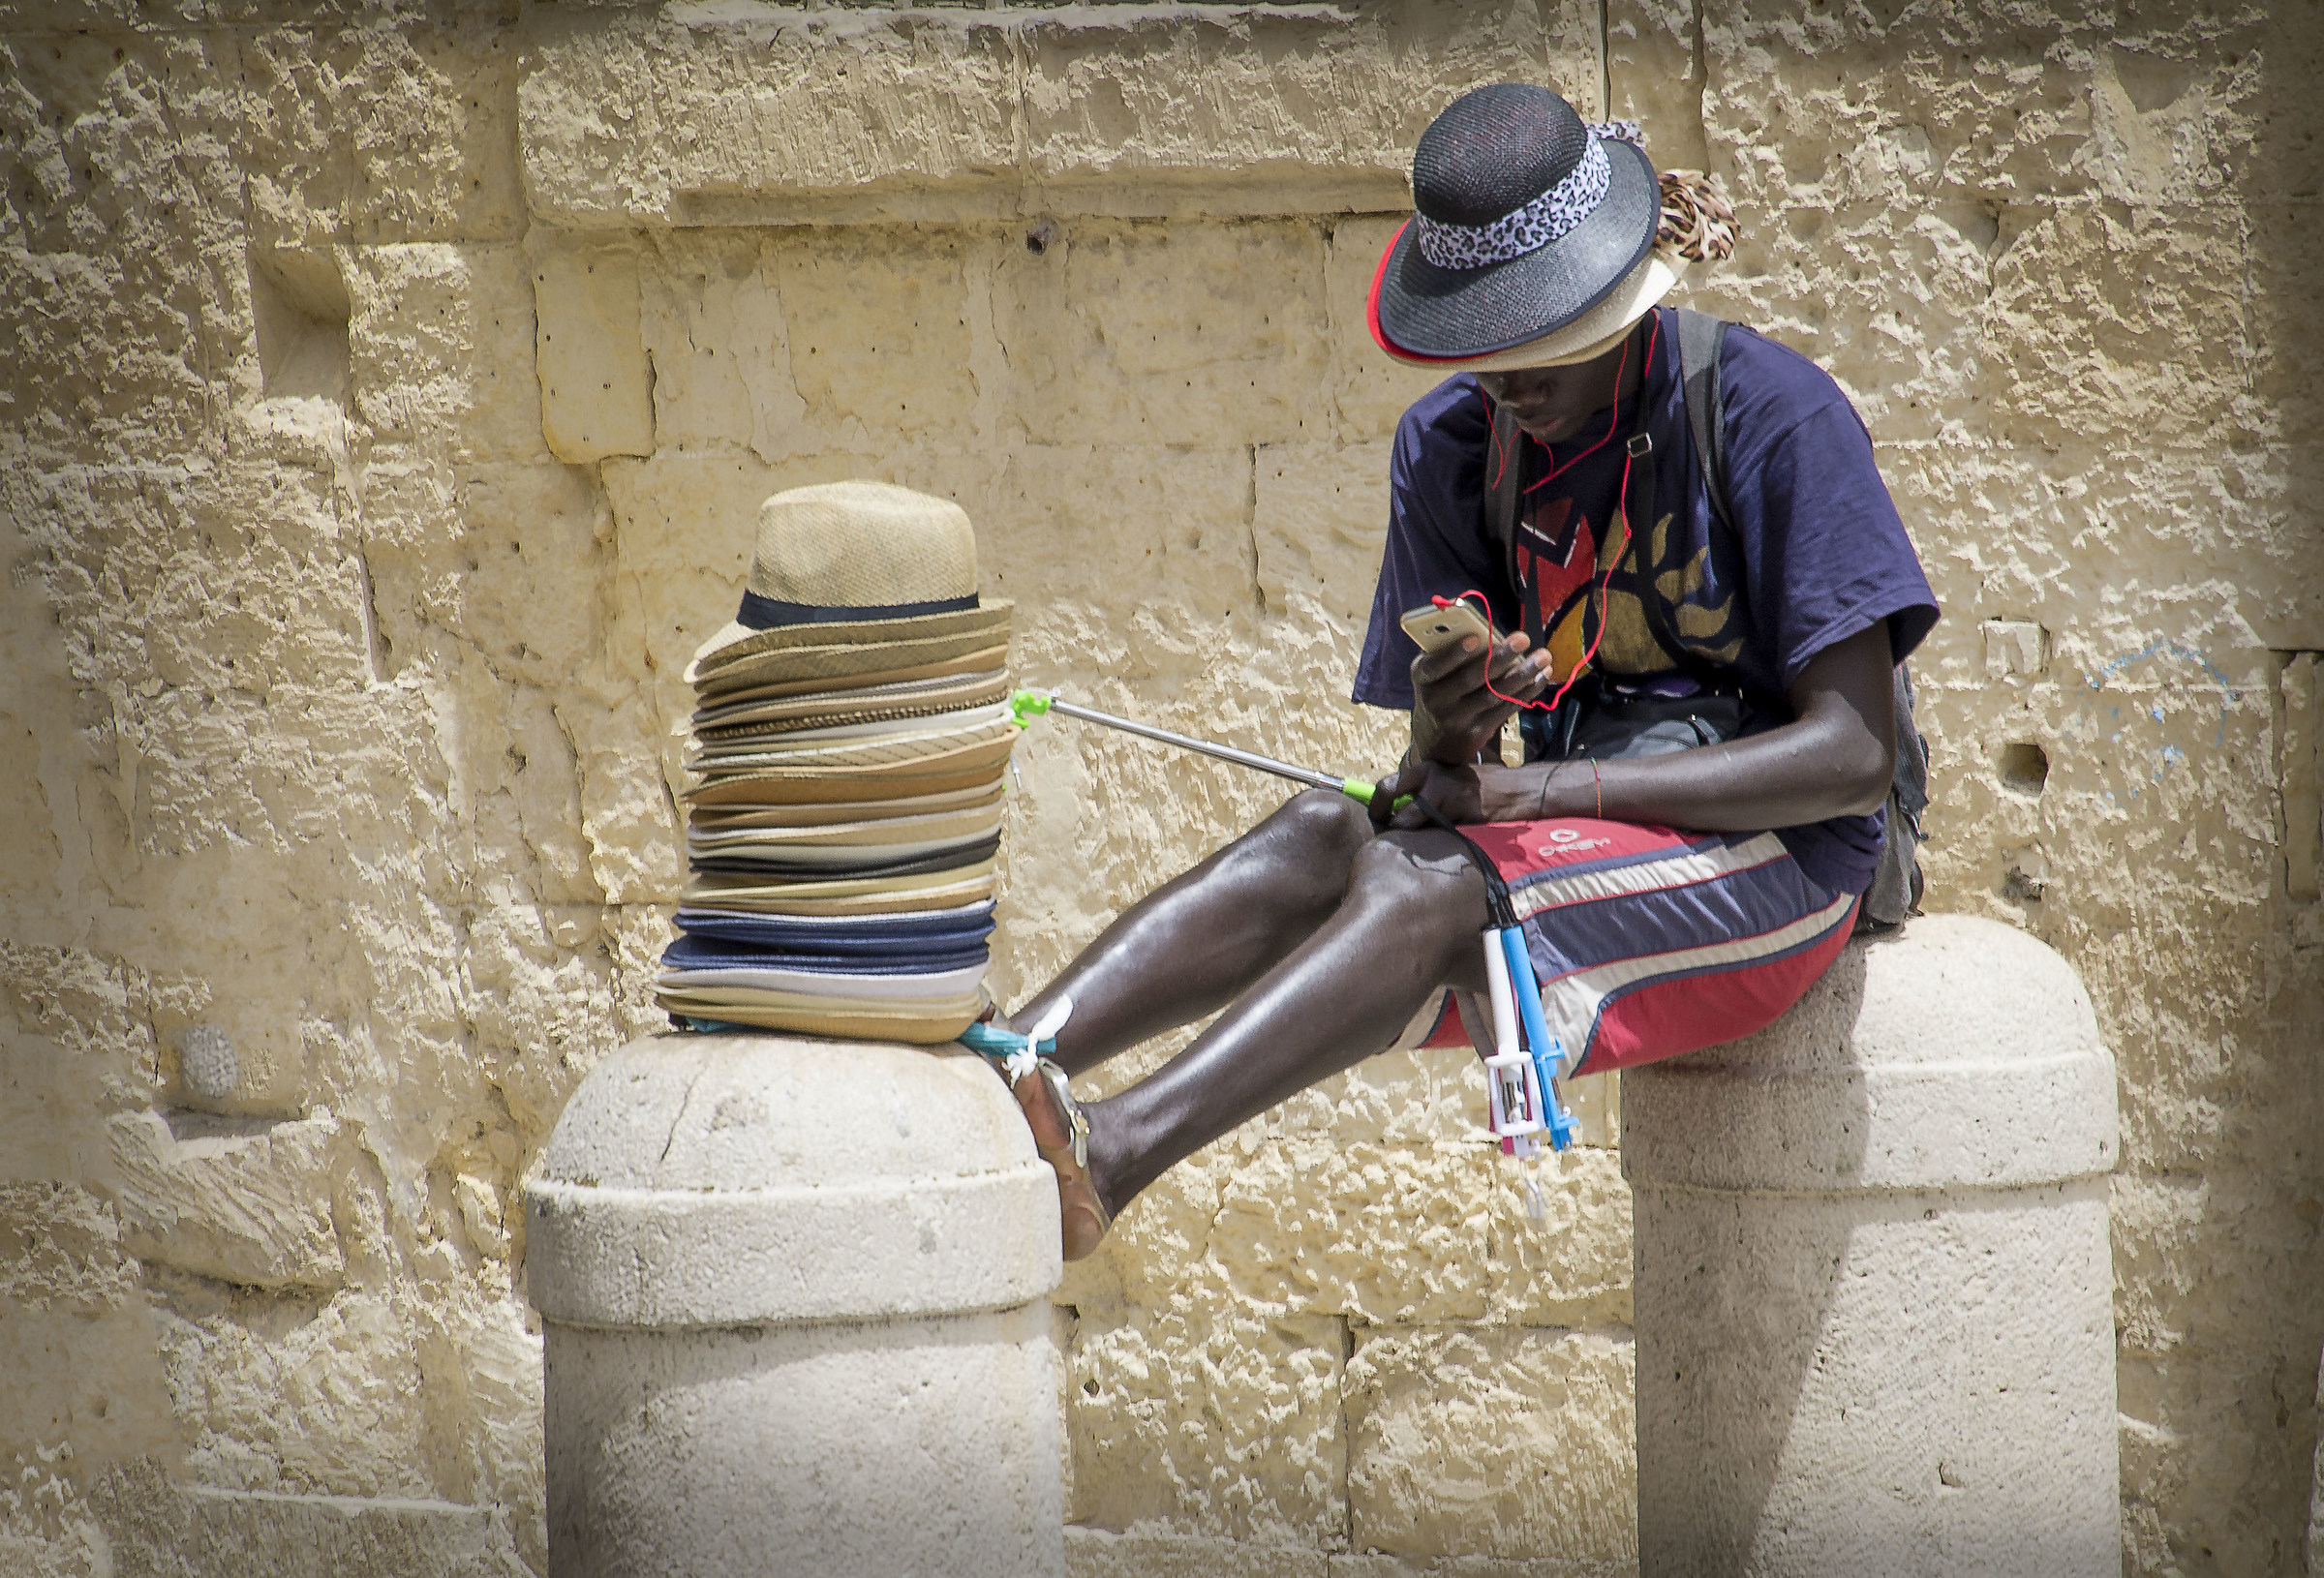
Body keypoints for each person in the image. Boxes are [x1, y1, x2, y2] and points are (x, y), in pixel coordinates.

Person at [970, 83, 1939, 1261]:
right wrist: (1448, 730)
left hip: (1788, 859)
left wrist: (1544, 789)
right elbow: (1445, 776)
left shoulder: (1771, 415)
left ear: (1616, 302)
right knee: (1322, 832)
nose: (1510, 384)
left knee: (1423, 884)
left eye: (1540, 347)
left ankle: (1116, 1153)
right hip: (1576, 835)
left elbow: (1852, 756)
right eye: (1487, 353)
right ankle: (1007, 1067)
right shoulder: (1454, 443)